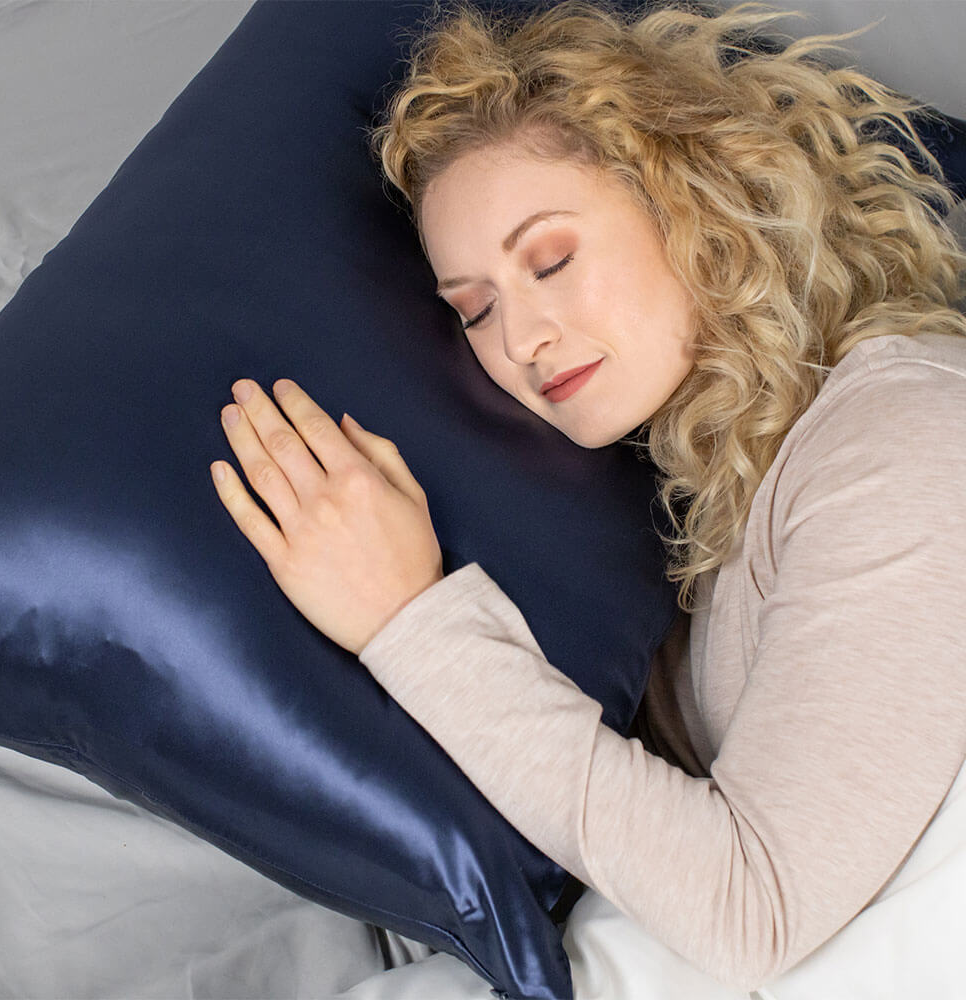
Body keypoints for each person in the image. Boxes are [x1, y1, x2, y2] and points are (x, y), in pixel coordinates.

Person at [208, 0, 966, 992]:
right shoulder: (710, 496)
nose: (521, 338)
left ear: (696, 199)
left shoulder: (899, 437)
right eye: (474, 309)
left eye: (552, 258)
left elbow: (754, 912)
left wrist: (411, 620)